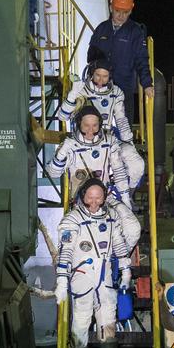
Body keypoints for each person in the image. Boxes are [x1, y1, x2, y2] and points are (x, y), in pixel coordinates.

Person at [55, 175, 133, 348]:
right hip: (82, 280)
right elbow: (66, 252)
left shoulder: (111, 218)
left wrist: (126, 271)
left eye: (99, 198)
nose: (94, 202)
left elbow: (119, 245)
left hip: (104, 280)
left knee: (107, 322)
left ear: (104, 197)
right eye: (90, 197)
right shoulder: (72, 220)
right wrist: (62, 280)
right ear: (83, 196)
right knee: (80, 323)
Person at [46, 104, 141, 248]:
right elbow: (53, 173)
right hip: (81, 202)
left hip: (106, 198)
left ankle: (118, 260)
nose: (91, 130)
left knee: (133, 229)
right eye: (86, 126)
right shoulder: (71, 145)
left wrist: (126, 201)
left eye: (95, 126)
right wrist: (62, 152)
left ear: (100, 125)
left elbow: (119, 172)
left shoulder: (109, 141)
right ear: (79, 124)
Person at [58, 56, 146, 182]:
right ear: (91, 74)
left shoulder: (116, 92)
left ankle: (127, 197)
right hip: (84, 139)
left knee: (136, 165)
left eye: (105, 76)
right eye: (98, 75)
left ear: (110, 77)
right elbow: (63, 116)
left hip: (108, 137)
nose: (100, 80)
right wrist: (72, 95)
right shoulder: (81, 89)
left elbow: (121, 120)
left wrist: (129, 142)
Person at [87, 0, 154, 127]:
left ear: (130, 11)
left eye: (125, 12)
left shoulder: (135, 32)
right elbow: (91, 57)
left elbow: (141, 59)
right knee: (98, 125)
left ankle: (124, 147)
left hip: (124, 88)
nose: (121, 15)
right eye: (118, 11)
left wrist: (147, 84)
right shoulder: (102, 29)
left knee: (123, 125)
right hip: (100, 87)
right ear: (111, 8)